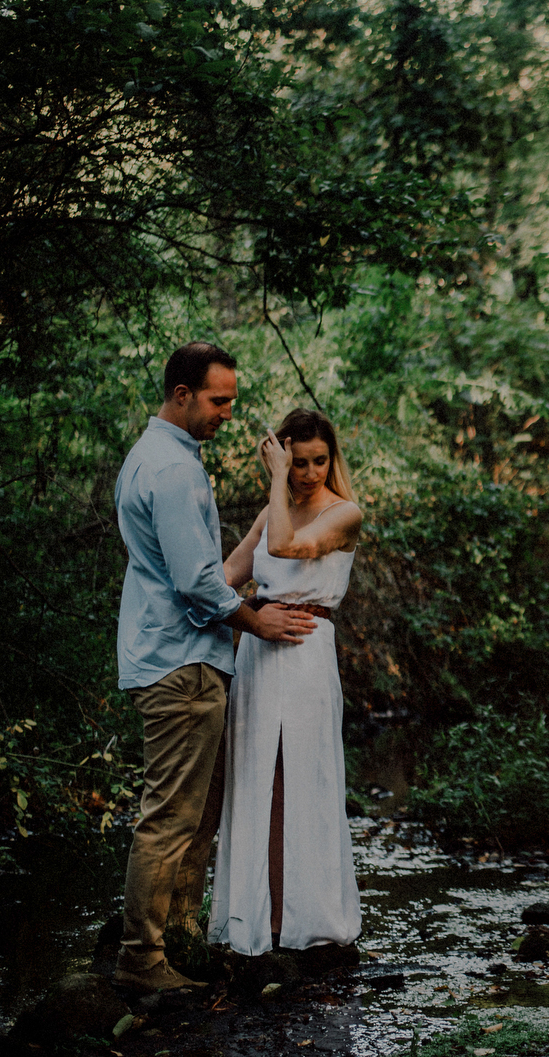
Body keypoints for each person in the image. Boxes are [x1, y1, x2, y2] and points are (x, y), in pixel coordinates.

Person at [114, 343, 317, 994]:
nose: (229, 412)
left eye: (231, 399)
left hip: (182, 656)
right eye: (218, 399)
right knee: (171, 816)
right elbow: (198, 583)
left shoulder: (164, 459)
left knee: (197, 815)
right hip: (180, 663)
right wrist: (256, 620)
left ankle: (180, 938)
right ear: (181, 394)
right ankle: (141, 959)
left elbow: (202, 570)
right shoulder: (171, 471)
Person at [211, 407, 365, 956]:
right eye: (297, 463)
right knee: (258, 780)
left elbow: (286, 548)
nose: (308, 472)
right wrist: (250, 611)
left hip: (306, 656)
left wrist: (276, 480)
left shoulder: (344, 513)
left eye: (319, 461)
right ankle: (260, 919)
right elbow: (222, 580)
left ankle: (306, 918)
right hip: (258, 654)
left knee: (303, 779)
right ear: (282, 458)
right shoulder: (269, 511)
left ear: (332, 459)